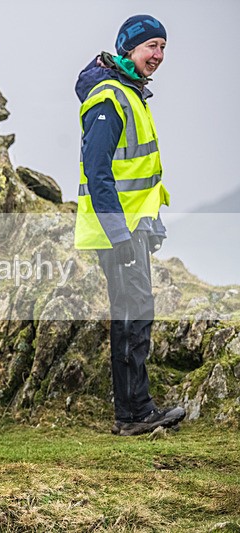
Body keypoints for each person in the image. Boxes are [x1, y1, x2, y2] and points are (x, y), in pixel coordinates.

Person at [74, 15, 185, 436]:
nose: (157, 56)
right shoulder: (109, 98)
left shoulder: (133, 94)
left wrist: (152, 222)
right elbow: (98, 171)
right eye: (150, 47)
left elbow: (141, 172)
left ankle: (136, 410)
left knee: (138, 314)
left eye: (162, 48)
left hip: (134, 229)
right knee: (130, 317)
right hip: (115, 232)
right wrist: (120, 235)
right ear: (128, 48)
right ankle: (134, 414)